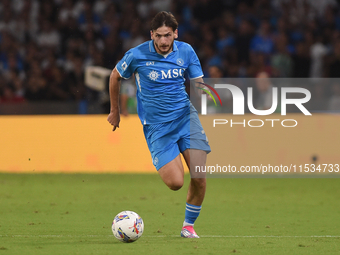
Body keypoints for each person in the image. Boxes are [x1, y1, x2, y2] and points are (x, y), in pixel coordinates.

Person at [107, 11, 211, 238]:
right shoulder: (137, 55)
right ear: (152, 34)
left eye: (168, 36)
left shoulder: (186, 51)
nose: (163, 41)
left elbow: (198, 83)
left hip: (186, 119)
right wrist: (115, 111)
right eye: (159, 36)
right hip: (157, 128)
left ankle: (188, 227)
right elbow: (115, 76)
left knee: (200, 176)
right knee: (175, 183)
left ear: (176, 33)